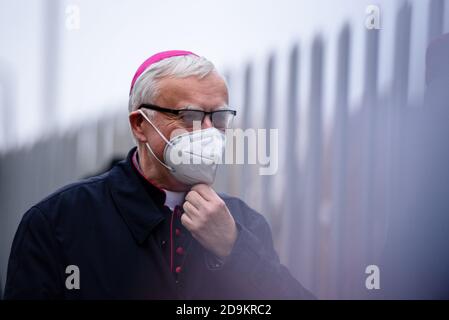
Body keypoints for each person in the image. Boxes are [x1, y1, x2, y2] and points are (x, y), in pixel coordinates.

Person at [4, 50, 313, 299]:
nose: (208, 131)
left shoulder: (243, 222)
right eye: (189, 116)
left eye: (218, 117)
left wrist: (233, 248)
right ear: (140, 124)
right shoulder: (58, 222)